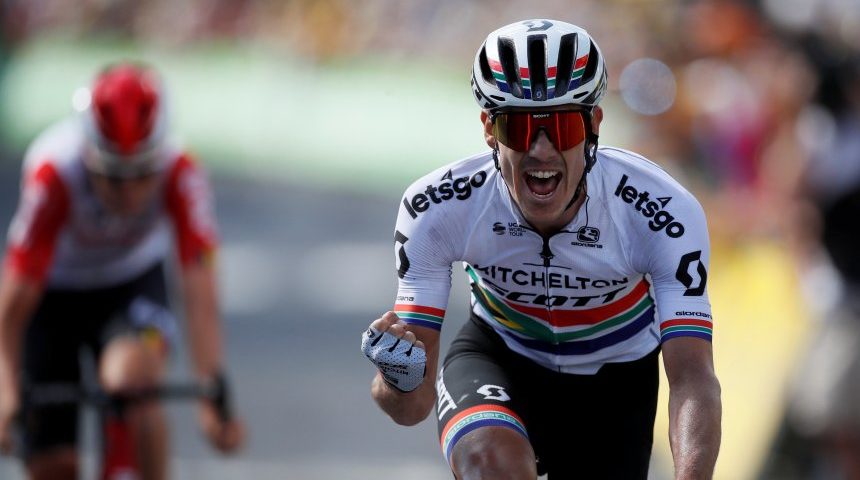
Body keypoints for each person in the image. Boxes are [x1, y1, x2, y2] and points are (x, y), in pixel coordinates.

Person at [362, 19, 721, 479]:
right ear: (489, 129)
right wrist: (396, 378)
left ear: (594, 125)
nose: (541, 150)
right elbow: (411, 408)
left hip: (615, 384)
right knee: (491, 464)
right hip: (498, 358)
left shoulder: (660, 209)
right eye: (519, 128)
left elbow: (693, 375)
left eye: (562, 127)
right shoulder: (437, 208)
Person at [0, 62, 244, 480]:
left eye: (142, 174)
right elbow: (14, 299)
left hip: (131, 283)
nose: (129, 193)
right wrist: (5, 387)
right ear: (88, 156)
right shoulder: (54, 172)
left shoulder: (182, 171)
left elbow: (199, 288)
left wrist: (211, 392)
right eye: (113, 176)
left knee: (131, 380)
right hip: (52, 296)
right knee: (54, 464)